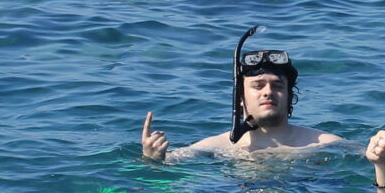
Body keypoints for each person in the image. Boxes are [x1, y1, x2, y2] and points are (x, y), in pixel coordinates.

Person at [140, 25, 345, 160]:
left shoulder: (324, 144)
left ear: (289, 96)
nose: (268, 92)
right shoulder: (214, 148)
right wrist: (152, 159)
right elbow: (160, 177)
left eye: (277, 86)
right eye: (258, 86)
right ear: (240, 97)